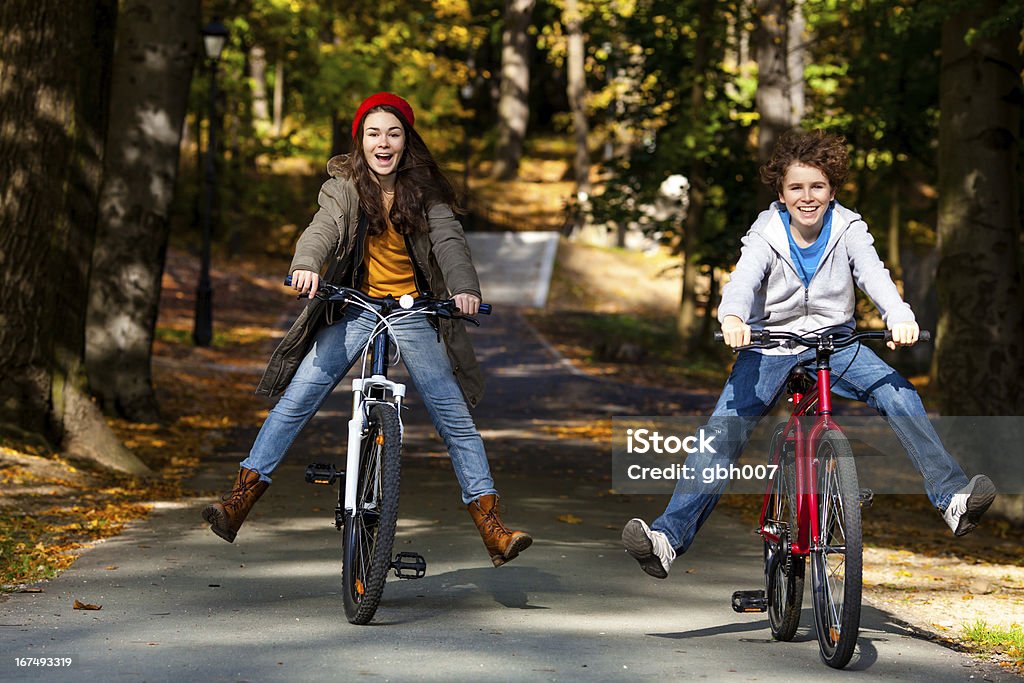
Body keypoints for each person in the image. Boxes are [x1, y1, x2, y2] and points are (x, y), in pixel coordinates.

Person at [621, 129, 996, 579]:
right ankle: (667, 540)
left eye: (817, 186)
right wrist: (734, 318)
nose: (807, 197)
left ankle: (952, 500)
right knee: (721, 434)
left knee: (900, 394)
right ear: (781, 193)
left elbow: (874, 275)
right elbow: (742, 281)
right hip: (770, 346)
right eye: (796, 187)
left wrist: (899, 314)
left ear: (832, 189)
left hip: (835, 345)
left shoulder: (849, 228)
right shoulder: (765, 232)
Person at [202, 92, 533, 568]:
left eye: (393, 133)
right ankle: (239, 502)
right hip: (354, 307)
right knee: (298, 399)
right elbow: (323, 230)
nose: (384, 142)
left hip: (413, 311)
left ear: (406, 141)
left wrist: (464, 290)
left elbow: (450, 243)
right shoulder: (344, 187)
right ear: (361, 140)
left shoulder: (428, 192)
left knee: (454, 416)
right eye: (374, 133)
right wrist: (306, 267)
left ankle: (492, 529)